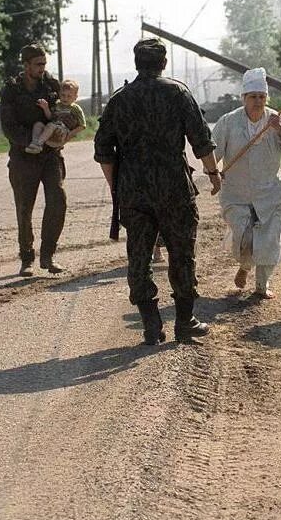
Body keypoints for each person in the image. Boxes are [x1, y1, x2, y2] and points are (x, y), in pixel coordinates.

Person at [94, 38, 222, 345]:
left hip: (134, 192)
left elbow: (102, 148)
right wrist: (213, 172)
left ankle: (151, 324)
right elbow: (200, 139)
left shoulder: (119, 99)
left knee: (138, 256)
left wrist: (116, 186)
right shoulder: (177, 92)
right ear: (163, 63)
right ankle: (184, 321)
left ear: (137, 63)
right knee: (181, 253)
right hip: (174, 189)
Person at [212, 67, 281, 298]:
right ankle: (244, 266)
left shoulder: (278, 118)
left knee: (270, 241)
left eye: (261, 97)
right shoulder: (228, 122)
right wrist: (213, 171)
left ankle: (263, 285)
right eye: (253, 97)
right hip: (237, 193)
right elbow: (213, 151)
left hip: (271, 192)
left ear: (266, 98)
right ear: (244, 98)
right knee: (245, 237)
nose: (257, 101)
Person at [0, 43, 67, 276]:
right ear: (26, 65)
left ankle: (48, 255)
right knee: (24, 208)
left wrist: (58, 132)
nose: (42, 68)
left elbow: (61, 113)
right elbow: (8, 125)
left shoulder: (51, 85)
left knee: (57, 200)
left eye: (44, 64)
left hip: (49, 155)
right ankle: (27, 258)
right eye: (38, 64)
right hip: (23, 156)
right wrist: (28, 141)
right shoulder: (12, 89)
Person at [25, 79, 86, 154]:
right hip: (50, 133)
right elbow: (50, 118)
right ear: (59, 94)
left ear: (75, 97)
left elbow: (82, 125)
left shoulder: (75, 108)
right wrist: (46, 108)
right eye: (63, 95)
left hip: (62, 133)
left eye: (69, 96)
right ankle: (34, 144)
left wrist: (69, 135)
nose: (65, 98)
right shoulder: (57, 105)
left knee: (51, 125)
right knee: (38, 124)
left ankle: (39, 143)